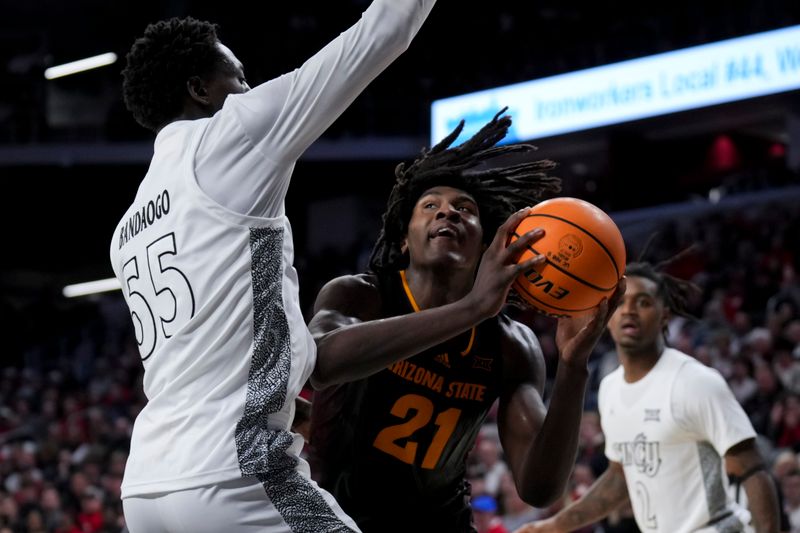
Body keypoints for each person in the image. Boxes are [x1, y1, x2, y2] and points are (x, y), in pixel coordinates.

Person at [110, 2, 436, 531]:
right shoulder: (232, 134)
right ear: (200, 89)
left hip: (147, 490)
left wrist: (286, 400)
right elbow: (382, 33)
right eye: (237, 77)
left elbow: (209, 345)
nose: (248, 89)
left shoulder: (128, 228)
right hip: (230, 474)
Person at [308, 110, 625, 532]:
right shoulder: (360, 294)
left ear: (486, 242)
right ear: (404, 239)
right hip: (335, 517)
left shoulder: (513, 344)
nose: (448, 213)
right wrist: (472, 308)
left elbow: (539, 488)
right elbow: (321, 363)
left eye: (464, 208)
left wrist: (572, 368)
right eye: (430, 206)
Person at [513, 260, 781, 533]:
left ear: (664, 315)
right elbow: (620, 477)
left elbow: (753, 469)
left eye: (643, 302)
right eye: (621, 303)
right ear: (607, 316)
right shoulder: (609, 388)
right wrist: (555, 525)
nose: (629, 310)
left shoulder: (695, 381)